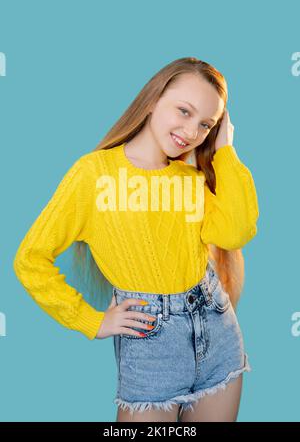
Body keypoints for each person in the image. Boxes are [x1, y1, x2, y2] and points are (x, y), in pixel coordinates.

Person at [13, 57, 259, 422]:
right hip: (150, 342)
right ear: (153, 99)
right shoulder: (93, 174)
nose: (192, 132)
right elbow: (30, 259)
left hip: (216, 330)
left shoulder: (190, 178)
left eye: (206, 124)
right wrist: (90, 320)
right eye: (184, 111)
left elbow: (236, 231)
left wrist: (225, 150)